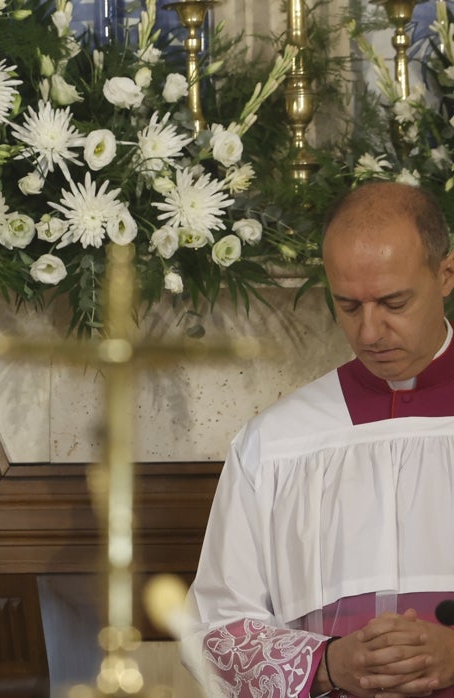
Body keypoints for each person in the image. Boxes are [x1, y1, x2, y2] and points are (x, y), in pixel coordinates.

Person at [182, 181, 454, 697]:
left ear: (446, 274)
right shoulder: (277, 443)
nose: (370, 332)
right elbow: (214, 627)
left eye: (393, 302)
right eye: (349, 306)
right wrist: (327, 663)